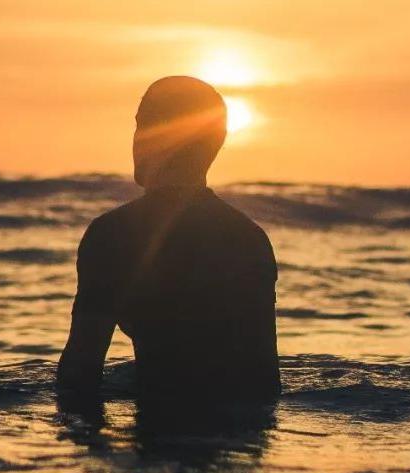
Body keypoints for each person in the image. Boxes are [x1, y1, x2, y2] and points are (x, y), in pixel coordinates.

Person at [57, 76, 280, 407]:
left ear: (154, 136)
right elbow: (265, 382)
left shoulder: (113, 234)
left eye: (139, 125)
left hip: (161, 430)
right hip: (241, 438)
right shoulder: (250, 238)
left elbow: (79, 375)